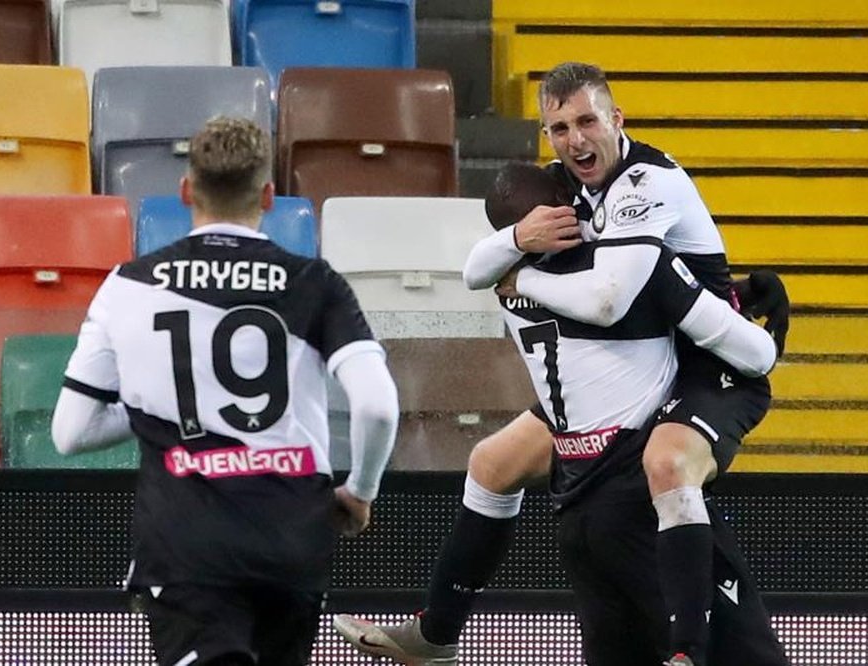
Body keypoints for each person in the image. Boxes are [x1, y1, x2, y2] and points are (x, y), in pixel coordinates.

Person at [334, 61, 789, 666]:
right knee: (492, 461)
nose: (575, 140)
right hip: (649, 360)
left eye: (586, 121)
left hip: (711, 365)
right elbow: (475, 270)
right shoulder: (571, 188)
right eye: (558, 128)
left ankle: (688, 650)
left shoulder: (646, 182)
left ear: (615, 119)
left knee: (666, 461)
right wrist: (517, 241)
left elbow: (607, 301)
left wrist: (520, 278)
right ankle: (437, 633)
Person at [51, 116, 399, 666]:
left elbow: (70, 433)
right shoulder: (317, 283)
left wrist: (157, 400)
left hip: (188, 547)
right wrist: (360, 492)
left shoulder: (129, 284)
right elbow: (378, 407)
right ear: (268, 195)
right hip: (293, 542)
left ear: (186, 191)